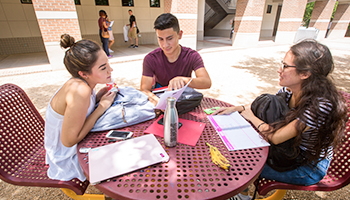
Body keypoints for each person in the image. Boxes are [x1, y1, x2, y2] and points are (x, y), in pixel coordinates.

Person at [214, 40, 347, 200]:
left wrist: (249, 115)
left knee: (238, 165)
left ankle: (242, 196)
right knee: (243, 143)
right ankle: (243, 193)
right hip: (290, 150)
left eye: (285, 66)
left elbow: (276, 138)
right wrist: (241, 108)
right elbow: (266, 109)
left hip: (308, 167)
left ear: (305, 74)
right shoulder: (288, 91)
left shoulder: (318, 107)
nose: (279, 70)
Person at [44, 34, 116, 181]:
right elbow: (69, 141)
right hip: (66, 158)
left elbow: (80, 110)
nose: (111, 70)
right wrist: (101, 107)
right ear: (83, 74)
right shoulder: (80, 90)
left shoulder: (85, 83)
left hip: (74, 147)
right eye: (103, 68)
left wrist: (97, 98)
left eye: (108, 63)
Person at [140, 13, 212, 106]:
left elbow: (206, 82)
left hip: (183, 101)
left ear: (180, 35)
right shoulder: (151, 58)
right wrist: (158, 102)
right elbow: (144, 89)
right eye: (161, 39)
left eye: (170, 38)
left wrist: (184, 80)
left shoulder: (191, 56)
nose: (165, 45)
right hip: (159, 100)